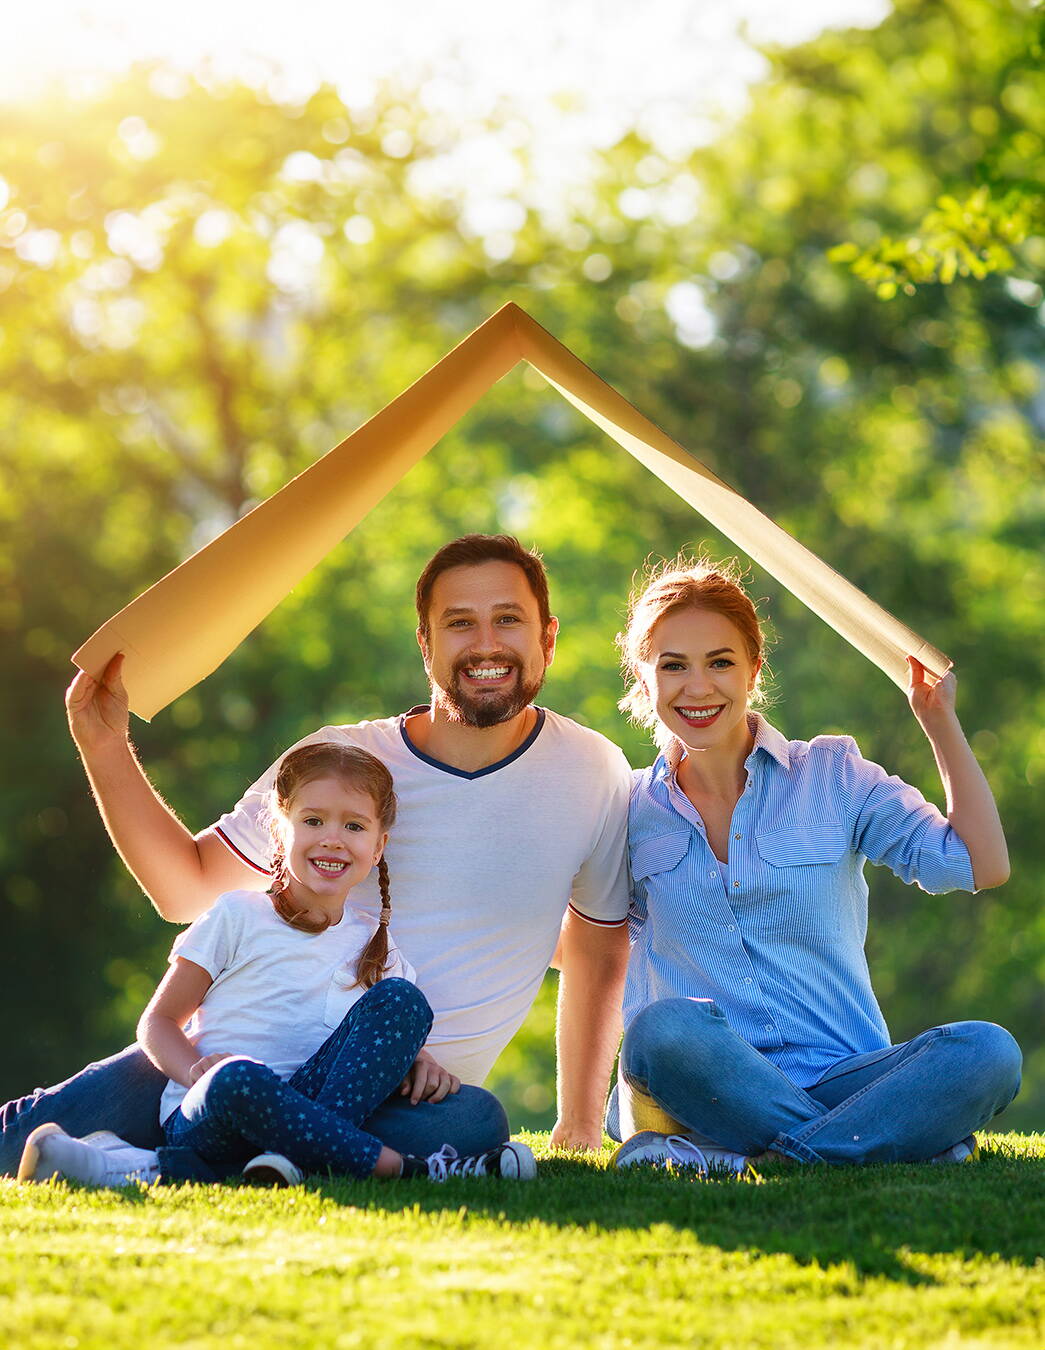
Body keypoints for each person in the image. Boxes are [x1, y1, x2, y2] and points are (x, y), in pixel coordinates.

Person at [1, 535, 631, 1181]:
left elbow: (598, 944)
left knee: (474, 1123)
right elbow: (184, 890)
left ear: (546, 638)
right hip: (248, 1055)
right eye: (459, 623)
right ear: (425, 643)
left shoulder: (592, 772)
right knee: (16, 1143)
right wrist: (105, 746)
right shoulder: (342, 764)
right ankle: (228, 1155)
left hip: (403, 1093)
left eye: (507, 619)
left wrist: (580, 1126)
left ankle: (166, 1166)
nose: (485, 643)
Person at [607, 557, 1021, 1175]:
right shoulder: (625, 808)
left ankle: (760, 1156)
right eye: (673, 666)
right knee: (660, 1031)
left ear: (754, 668)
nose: (698, 687)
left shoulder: (832, 775)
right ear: (644, 680)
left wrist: (940, 722)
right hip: (706, 1083)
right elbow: (586, 945)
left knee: (989, 1052)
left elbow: (978, 863)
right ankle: (891, 1140)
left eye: (720, 661)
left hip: (845, 1076)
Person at [20, 742, 535, 1186]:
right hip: (221, 1105)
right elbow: (157, 1022)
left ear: (378, 847)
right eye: (313, 821)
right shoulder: (236, 914)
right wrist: (194, 1073)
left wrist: (419, 1063)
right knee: (241, 1078)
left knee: (423, 1029)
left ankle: (185, 1167)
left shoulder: (380, 950)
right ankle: (400, 1170)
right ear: (279, 831)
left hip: (311, 1104)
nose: (332, 838)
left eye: (353, 826)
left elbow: (379, 1044)